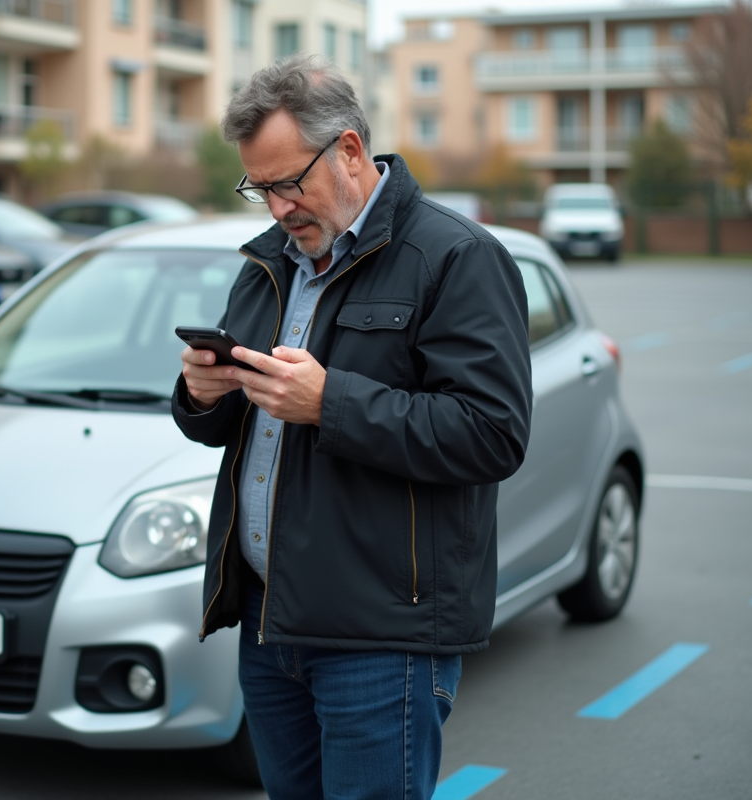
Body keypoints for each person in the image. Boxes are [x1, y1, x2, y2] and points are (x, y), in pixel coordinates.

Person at [172, 55, 533, 800]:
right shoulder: (269, 263)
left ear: (349, 150)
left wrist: (329, 402)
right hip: (273, 626)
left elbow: (492, 432)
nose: (276, 208)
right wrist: (202, 395)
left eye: (287, 182)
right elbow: (237, 426)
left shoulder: (456, 257)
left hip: (382, 639)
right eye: (258, 188)